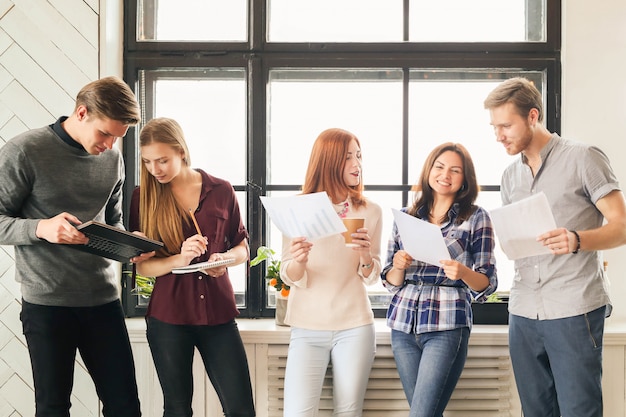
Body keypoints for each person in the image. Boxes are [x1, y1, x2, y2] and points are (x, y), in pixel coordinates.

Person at [0, 76, 146, 416]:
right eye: (105, 134)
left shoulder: (111, 160)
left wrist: (129, 244)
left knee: (125, 405)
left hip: (103, 300)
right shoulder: (25, 150)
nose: (110, 145)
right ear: (82, 113)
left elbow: (114, 223)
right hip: (48, 305)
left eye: (118, 137)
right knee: (53, 408)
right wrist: (41, 228)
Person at [484, 77, 626, 417]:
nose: (498, 135)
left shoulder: (583, 158)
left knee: (579, 410)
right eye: (494, 127)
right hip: (523, 308)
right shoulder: (509, 176)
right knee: (535, 411)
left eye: (505, 125)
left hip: (573, 308)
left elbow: (621, 227)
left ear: (533, 116)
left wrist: (577, 239)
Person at [129, 117, 255, 417]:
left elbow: (243, 248)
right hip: (168, 318)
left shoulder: (221, 190)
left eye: (162, 160)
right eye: (147, 162)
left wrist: (223, 260)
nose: (154, 170)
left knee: (240, 409)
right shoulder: (141, 198)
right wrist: (179, 260)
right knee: (177, 409)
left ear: (182, 152)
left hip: (219, 315)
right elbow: (144, 270)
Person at [381, 142, 498, 417]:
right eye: (440, 167)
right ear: (429, 170)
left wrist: (463, 273)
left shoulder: (477, 217)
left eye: (455, 170)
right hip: (403, 324)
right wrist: (398, 266)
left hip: (447, 323)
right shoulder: (407, 216)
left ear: (465, 179)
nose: (445, 175)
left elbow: (488, 283)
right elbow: (389, 280)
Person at [280, 128, 383, 416]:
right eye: (348, 157)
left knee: (348, 412)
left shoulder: (369, 210)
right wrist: (299, 260)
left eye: (359, 156)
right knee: (298, 412)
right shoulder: (298, 208)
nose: (357, 164)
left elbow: (371, 275)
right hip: (307, 326)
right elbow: (288, 272)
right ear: (328, 161)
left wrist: (364, 255)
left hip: (355, 326)